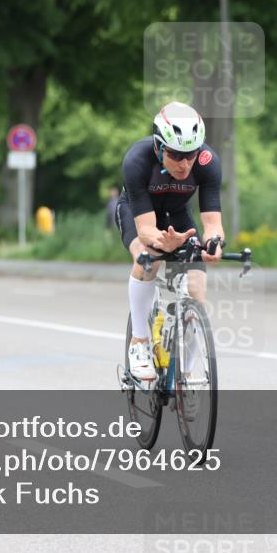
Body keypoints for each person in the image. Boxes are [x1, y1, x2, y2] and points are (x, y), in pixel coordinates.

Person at [116, 101, 224, 381]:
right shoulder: (137, 160)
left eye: (190, 154)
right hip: (139, 213)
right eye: (176, 155)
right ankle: (139, 342)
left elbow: (212, 223)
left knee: (197, 292)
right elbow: (146, 230)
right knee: (147, 256)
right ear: (158, 147)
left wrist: (213, 244)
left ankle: (184, 377)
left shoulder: (207, 163)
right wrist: (166, 243)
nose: (184, 163)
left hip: (177, 216)